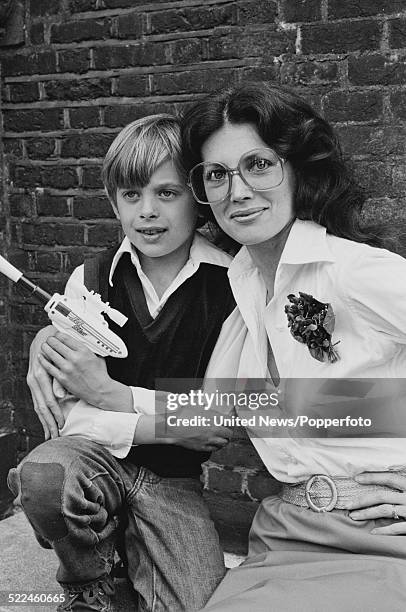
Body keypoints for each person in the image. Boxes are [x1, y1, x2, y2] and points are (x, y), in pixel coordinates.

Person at [180, 81, 406, 611]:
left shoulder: (354, 271)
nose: (236, 191)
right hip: (284, 534)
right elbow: (201, 409)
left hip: (385, 537)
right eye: (217, 174)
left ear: (299, 167)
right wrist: (57, 340)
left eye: (258, 165)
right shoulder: (241, 285)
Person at [8, 114, 244, 612]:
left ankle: (133, 548)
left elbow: (213, 424)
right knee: (46, 476)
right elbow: (67, 419)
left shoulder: (231, 288)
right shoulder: (89, 279)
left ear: (196, 197)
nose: (148, 213)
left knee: (197, 604)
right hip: (92, 462)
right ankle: (91, 576)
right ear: (114, 201)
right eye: (131, 195)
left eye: (167, 193)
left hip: (172, 481)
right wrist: (169, 422)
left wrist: (109, 396)